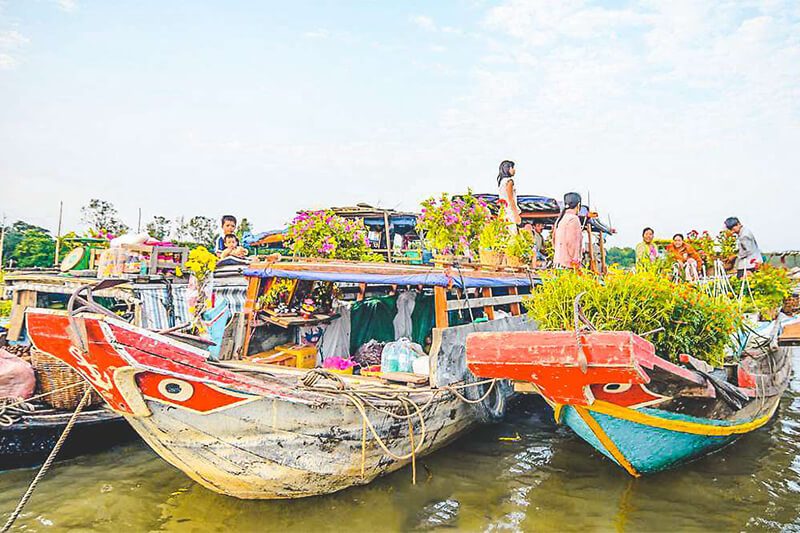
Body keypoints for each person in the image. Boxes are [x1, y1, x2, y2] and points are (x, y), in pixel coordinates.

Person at [553, 192, 583, 269]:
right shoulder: (573, 219)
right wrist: (576, 260)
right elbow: (572, 244)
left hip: (557, 263)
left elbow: (553, 240)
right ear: (578, 205)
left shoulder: (560, 219)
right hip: (568, 266)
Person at [497, 160, 521, 234]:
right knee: (512, 234)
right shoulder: (509, 181)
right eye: (512, 168)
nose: (514, 170)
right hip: (510, 212)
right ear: (508, 169)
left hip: (503, 212)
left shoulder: (501, 182)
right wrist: (516, 215)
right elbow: (511, 199)